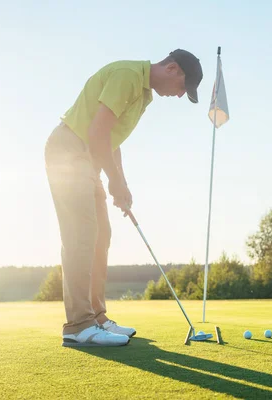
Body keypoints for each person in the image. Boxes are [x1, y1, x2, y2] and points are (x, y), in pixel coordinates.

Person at [44, 49, 203, 346]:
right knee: (81, 235)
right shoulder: (128, 77)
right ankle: (78, 325)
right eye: (183, 87)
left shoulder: (143, 94)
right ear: (172, 69)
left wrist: (122, 183)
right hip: (69, 151)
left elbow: (111, 140)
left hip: (87, 158)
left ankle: (97, 318)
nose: (181, 95)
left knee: (101, 235)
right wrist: (114, 181)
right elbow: (97, 133)